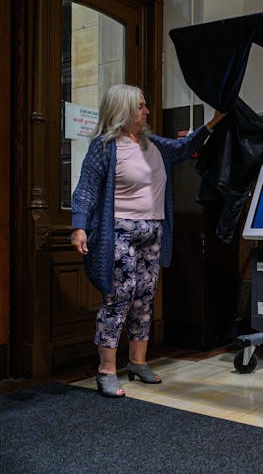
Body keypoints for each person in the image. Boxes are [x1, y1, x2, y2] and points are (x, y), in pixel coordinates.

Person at [71, 84, 225, 398]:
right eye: (140, 106)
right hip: (119, 231)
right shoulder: (105, 147)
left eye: (145, 105)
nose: (146, 111)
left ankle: (138, 363)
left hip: (153, 231)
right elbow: (86, 190)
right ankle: (106, 370)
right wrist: (79, 227)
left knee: (144, 297)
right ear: (123, 111)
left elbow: (183, 149)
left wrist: (211, 124)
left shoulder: (153, 144)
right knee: (120, 296)